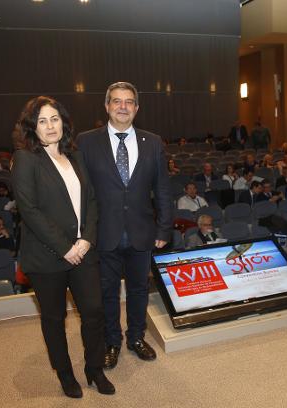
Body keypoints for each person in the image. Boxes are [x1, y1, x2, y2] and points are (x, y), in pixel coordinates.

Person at [12, 96, 114, 398]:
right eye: (42, 121)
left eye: (54, 119)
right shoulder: (26, 159)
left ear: (63, 122)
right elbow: (29, 210)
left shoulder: (75, 154)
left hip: (83, 251)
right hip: (47, 257)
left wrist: (87, 239)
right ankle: (66, 374)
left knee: (94, 311)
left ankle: (94, 369)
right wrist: (65, 246)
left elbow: (92, 201)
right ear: (33, 128)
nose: (50, 126)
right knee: (55, 319)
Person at [77, 81, 173, 366]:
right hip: (102, 233)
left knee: (139, 290)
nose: (122, 106)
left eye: (128, 102)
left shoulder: (153, 142)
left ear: (136, 108)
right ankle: (112, 341)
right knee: (107, 292)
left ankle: (135, 337)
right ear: (106, 106)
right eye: (116, 101)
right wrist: (83, 231)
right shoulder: (86, 141)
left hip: (142, 232)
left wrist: (164, 228)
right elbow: (80, 191)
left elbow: (163, 189)